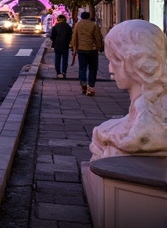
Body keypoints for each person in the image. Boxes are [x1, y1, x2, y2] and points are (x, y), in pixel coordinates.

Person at [89, 20, 167, 159]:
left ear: (132, 61)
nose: (110, 68)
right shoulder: (151, 104)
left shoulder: (149, 116)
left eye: (115, 60)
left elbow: (137, 139)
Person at [70, 10, 105, 95]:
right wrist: (100, 46)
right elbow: (98, 37)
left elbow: (74, 37)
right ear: (89, 16)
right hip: (92, 50)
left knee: (82, 68)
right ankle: (91, 86)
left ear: (81, 17)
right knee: (93, 68)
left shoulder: (78, 25)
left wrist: (74, 47)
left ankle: (83, 83)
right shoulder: (94, 25)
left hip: (81, 49)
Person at [47, 14, 72, 78]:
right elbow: (70, 36)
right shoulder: (68, 27)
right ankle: (64, 72)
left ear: (58, 20)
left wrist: (54, 40)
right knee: (65, 59)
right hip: (65, 45)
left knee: (57, 58)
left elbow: (52, 37)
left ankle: (58, 72)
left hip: (57, 44)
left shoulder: (55, 27)